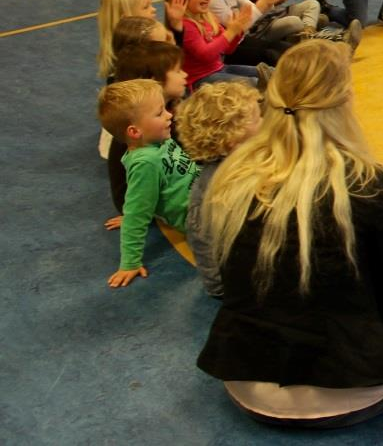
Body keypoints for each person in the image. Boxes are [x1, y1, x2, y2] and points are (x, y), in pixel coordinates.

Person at [197, 41, 383, 427]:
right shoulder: (365, 182)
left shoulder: (233, 175)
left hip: (246, 381)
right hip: (353, 390)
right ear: (344, 100)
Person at [99, 79, 199, 288]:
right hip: (199, 218)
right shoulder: (146, 163)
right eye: (159, 113)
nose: (169, 115)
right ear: (135, 132)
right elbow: (138, 213)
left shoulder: (158, 139)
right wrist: (130, 263)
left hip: (204, 193)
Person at [178, 81, 261, 298]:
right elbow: (204, 245)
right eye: (257, 119)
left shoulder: (238, 164)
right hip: (235, 283)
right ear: (234, 142)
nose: (263, 123)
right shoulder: (217, 190)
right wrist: (221, 289)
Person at [105, 41, 189, 230]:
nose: (184, 74)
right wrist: (134, 215)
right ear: (154, 81)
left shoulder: (167, 113)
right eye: (177, 71)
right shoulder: (143, 134)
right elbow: (122, 191)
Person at [162, 0, 261, 89]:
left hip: (219, 69)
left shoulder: (207, 17)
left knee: (265, 73)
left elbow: (227, 50)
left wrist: (238, 31)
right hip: (200, 80)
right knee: (253, 84)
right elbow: (205, 54)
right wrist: (230, 32)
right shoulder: (186, 25)